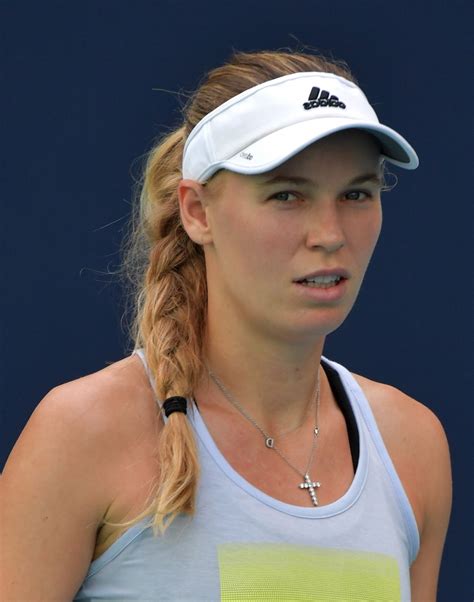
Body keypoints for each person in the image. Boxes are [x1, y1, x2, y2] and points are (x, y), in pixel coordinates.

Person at [2, 49, 452, 601]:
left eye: (356, 193)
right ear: (197, 211)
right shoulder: (82, 433)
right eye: (287, 195)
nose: (330, 233)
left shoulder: (413, 446)